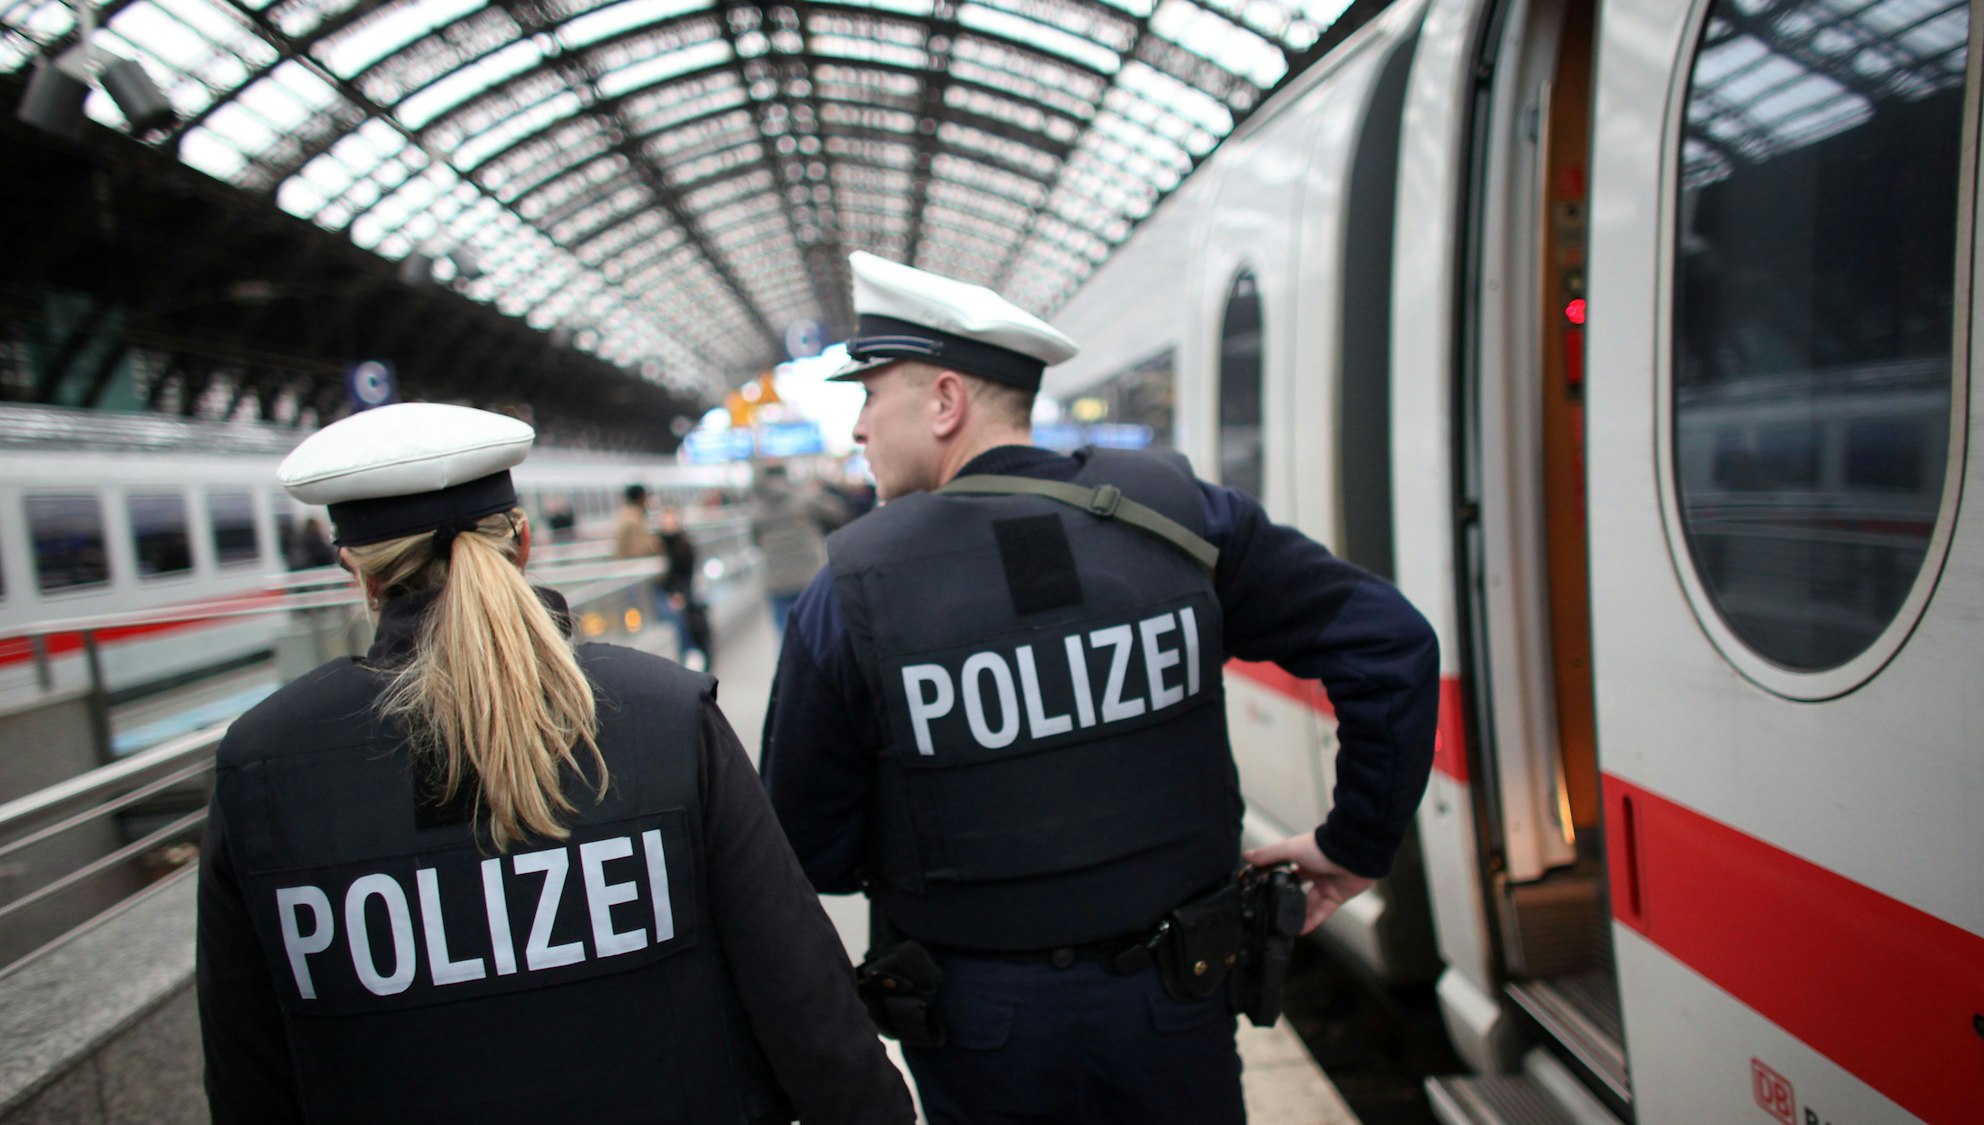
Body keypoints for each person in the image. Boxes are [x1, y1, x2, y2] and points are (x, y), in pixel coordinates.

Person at [759, 252, 1440, 1125]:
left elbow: (808, 843)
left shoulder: (850, 587)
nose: (856, 428)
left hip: (980, 1024)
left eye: (869, 394)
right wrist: (1357, 838)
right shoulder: (1181, 515)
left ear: (944, 401)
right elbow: (1392, 643)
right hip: (1178, 995)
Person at [196, 402, 914, 1125]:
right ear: (524, 542)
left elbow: (246, 1070)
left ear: (359, 571)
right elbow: (801, 993)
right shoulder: (664, 714)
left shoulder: (262, 766)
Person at [749, 460, 849, 636]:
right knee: (820, 634)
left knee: (787, 636)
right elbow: (839, 512)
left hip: (776, 582)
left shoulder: (756, 511)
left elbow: (755, 541)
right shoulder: (804, 499)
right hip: (810, 578)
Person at [656, 504, 711, 672]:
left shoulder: (684, 544)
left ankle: (690, 655)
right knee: (675, 618)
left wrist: (679, 593)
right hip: (664, 592)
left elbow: (687, 573)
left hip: (681, 592)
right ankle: (689, 656)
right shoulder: (657, 543)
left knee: (681, 620)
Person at [611, 483, 656, 561]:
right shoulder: (633, 520)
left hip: (623, 564)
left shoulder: (623, 514)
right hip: (630, 565)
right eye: (646, 498)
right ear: (641, 498)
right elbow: (639, 550)